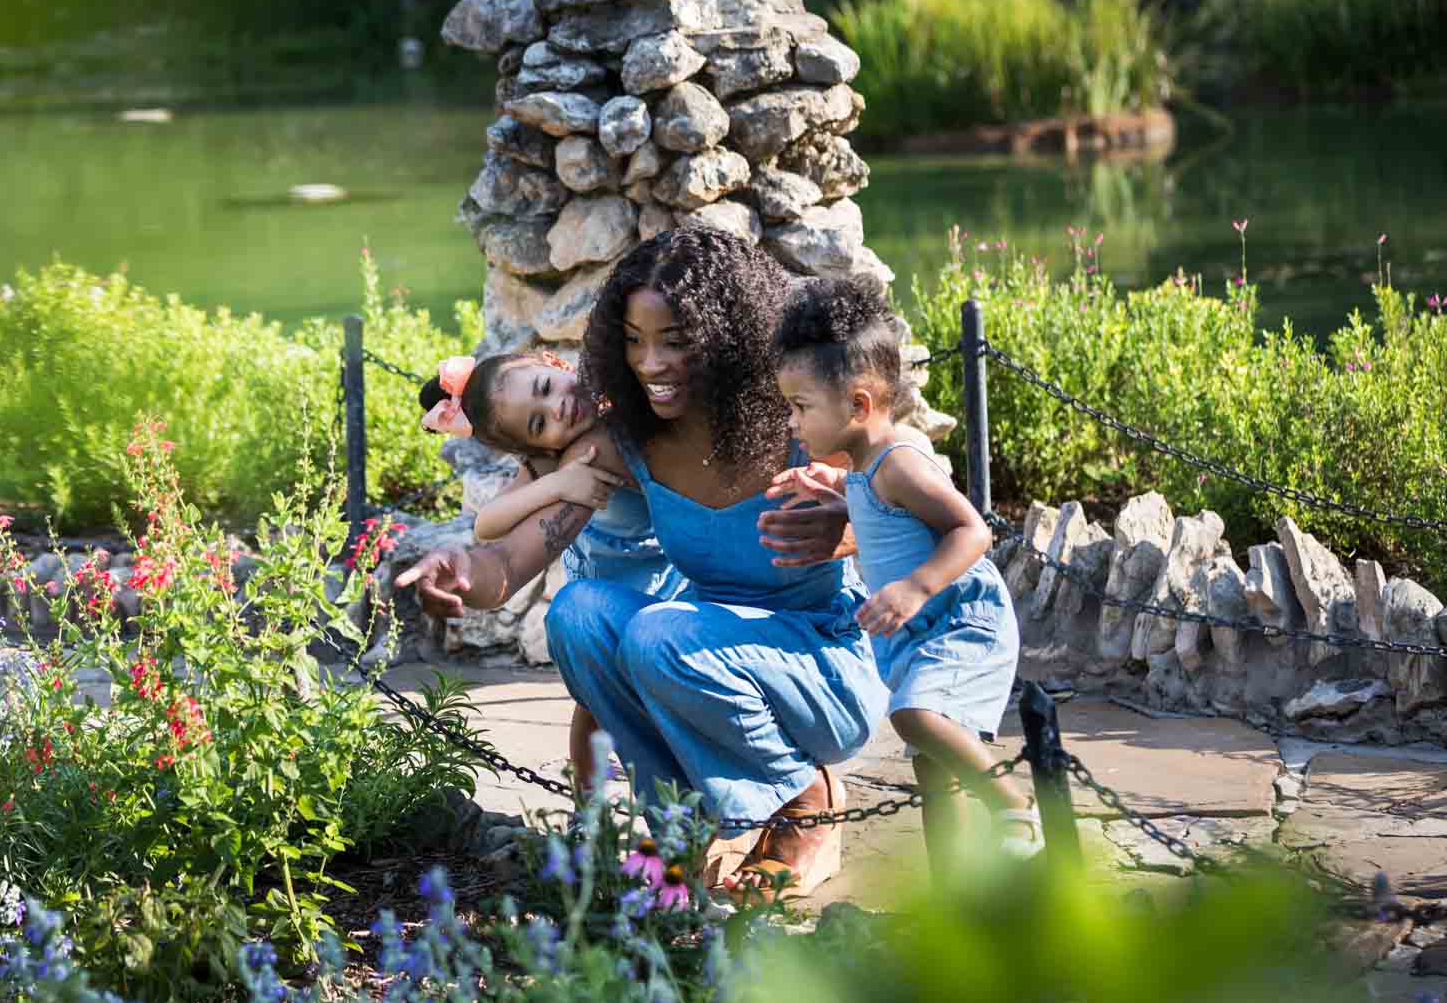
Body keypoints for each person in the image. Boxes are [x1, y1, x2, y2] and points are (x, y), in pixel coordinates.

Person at [399, 228, 888, 900]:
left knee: (662, 632)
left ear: (728, 333)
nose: (650, 363)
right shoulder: (628, 441)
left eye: (674, 341)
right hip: (703, 653)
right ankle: (685, 828)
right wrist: (459, 571)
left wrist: (856, 525)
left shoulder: (800, 419)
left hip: (818, 670)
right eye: (633, 341)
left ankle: (806, 801)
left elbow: (934, 518)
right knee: (579, 615)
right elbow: (513, 559)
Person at [771, 272, 1041, 871]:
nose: (792, 423)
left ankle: (1014, 806)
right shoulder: (867, 465)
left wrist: (916, 586)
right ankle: (953, 890)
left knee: (915, 717)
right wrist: (839, 496)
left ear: (859, 404)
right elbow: (885, 520)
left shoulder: (898, 462)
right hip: (924, 633)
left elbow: (973, 529)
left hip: (959, 622)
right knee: (934, 765)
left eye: (800, 408)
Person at [416, 351, 687, 793]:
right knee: (595, 704)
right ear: (538, 447)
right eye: (539, 424)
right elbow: (487, 526)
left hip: (666, 573)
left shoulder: (622, 396)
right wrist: (557, 484)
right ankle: (588, 803)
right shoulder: (558, 460)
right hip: (607, 585)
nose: (557, 408)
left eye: (545, 388)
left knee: (664, 694)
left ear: (554, 363)